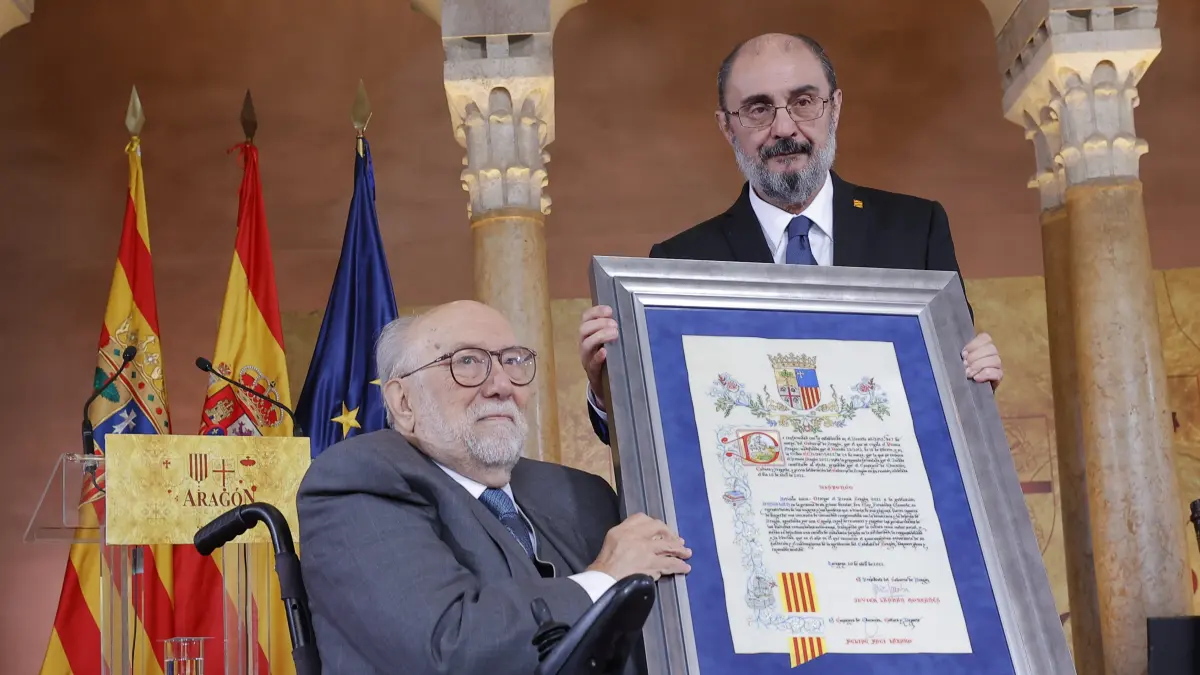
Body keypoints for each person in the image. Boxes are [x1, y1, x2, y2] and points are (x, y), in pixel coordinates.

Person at [580, 32, 1003, 444]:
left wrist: (974, 381)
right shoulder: (680, 263)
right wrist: (606, 393)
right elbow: (666, 428)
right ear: (727, 126)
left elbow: (950, 391)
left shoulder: (916, 229)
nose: (784, 128)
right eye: (758, 109)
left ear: (835, 108)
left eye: (803, 102)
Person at [296, 300, 691, 674]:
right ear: (403, 401)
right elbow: (447, 648)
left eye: (513, 360)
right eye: (467, 362)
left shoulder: (580, 491)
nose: (502, 384)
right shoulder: (358, 480)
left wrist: (627, 400)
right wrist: (605, 579)